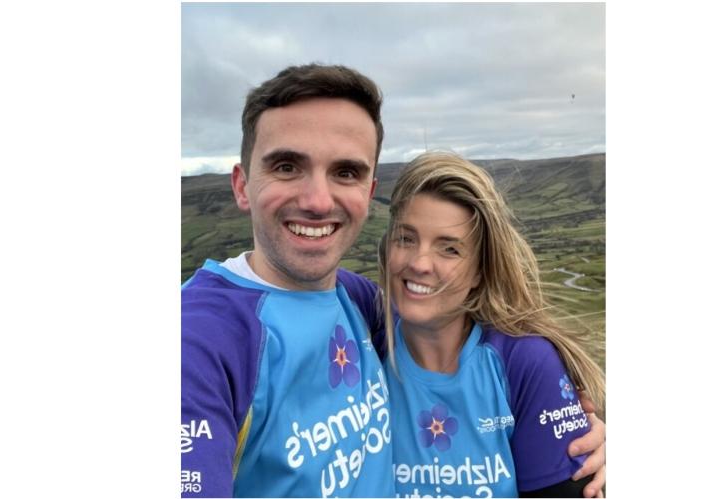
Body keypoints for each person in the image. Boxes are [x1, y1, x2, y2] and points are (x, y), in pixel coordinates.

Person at [181, 63, 605, 498]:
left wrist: (569, 424)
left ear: (368, 193)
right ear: (242, 185)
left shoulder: (360, 304)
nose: (317, 200)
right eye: (287, 166)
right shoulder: (198, 339)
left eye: (346, 172)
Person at [378, 152, 606, 497]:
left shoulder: (524, 362)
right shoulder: (362, 337)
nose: (420, 263)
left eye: (449, 250)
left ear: (480, 271)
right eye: (406, 239)